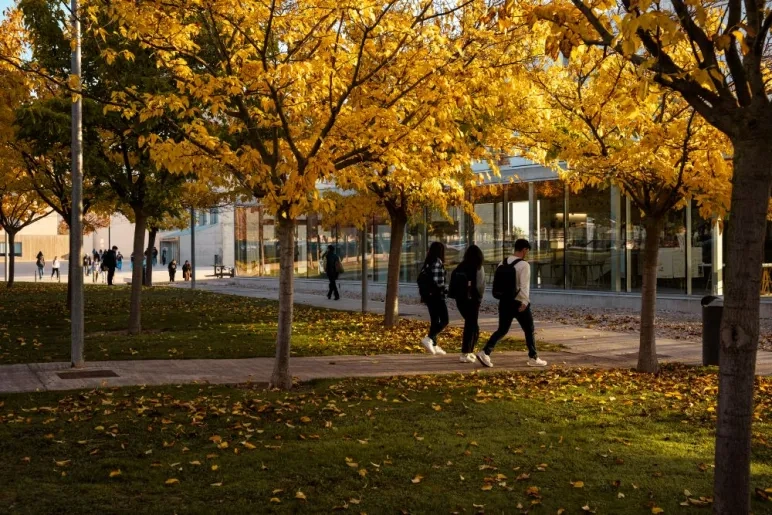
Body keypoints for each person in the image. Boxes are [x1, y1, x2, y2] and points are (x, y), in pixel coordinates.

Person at [477, 239, 547, 368]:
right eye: (527, 251)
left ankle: (485, 352)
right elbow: (524, 285)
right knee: (529, 329)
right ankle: (533, 357)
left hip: (504, 301)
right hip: (518, 302)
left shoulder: (502, 263)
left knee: (502, 329)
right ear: (524, 249)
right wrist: (525, 301)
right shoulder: (524, 265)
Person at [452, 245, 485, 363]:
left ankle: (469, 351)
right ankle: (466, 352)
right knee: (471, 326)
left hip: (461, 300)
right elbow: (478, 286)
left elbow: (453, 283)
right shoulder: (476, 267)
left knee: (472, 325)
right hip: (472, 300)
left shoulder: (460, 267)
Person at [420, 242, 449, 355]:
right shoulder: (437, 262)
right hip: (437, 296)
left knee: (435, 320)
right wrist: (446, 290)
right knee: (445, 320)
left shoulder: (428, 262)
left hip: (428, 296)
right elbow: (439, 282)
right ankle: (429, 338)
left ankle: (434, 344)